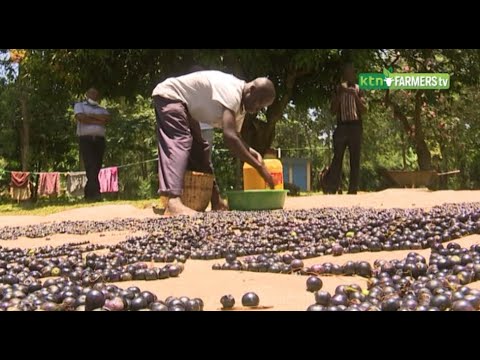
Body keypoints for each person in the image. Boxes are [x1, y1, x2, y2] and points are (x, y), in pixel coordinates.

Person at [152, 70, 276, 216]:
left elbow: (237, 137)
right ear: (252, 90)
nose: (257, 109)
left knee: (200, 149)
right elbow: (229, 138)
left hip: (185, 107)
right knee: (180, 140)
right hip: (170, 96)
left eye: (261, 108)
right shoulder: (233, 90)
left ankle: (216, 201)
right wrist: (259, 167)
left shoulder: (240, 108)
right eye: (258, 103)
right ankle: (173, 201)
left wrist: (252, 152)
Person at [322, 63, 367, 195]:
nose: (349, 76)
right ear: (343, 75)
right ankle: (332, 187)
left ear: (354, 75)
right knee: (337, 158)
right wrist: (340, 95)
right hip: (342, 127)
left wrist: (356, 97)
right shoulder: (338, 89)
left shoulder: (359, 89)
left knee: (355, 158)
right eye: (347, 73)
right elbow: (332, 110)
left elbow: (364, 109)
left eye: (351, 73)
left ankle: (353, 189)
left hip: (355, 126)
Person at [74, 88, 111, 201]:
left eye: (96, 93)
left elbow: (107, 119)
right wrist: (98, 120)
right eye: (91, 92)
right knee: (90, 164)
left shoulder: (102, 109)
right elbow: (81, 117)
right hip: (86, 139)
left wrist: (90, 116)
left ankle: (89, 193)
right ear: (87, 94)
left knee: (97, 165)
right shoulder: (79, 105)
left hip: (99, 140)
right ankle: (95, 193)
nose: (94, 94)